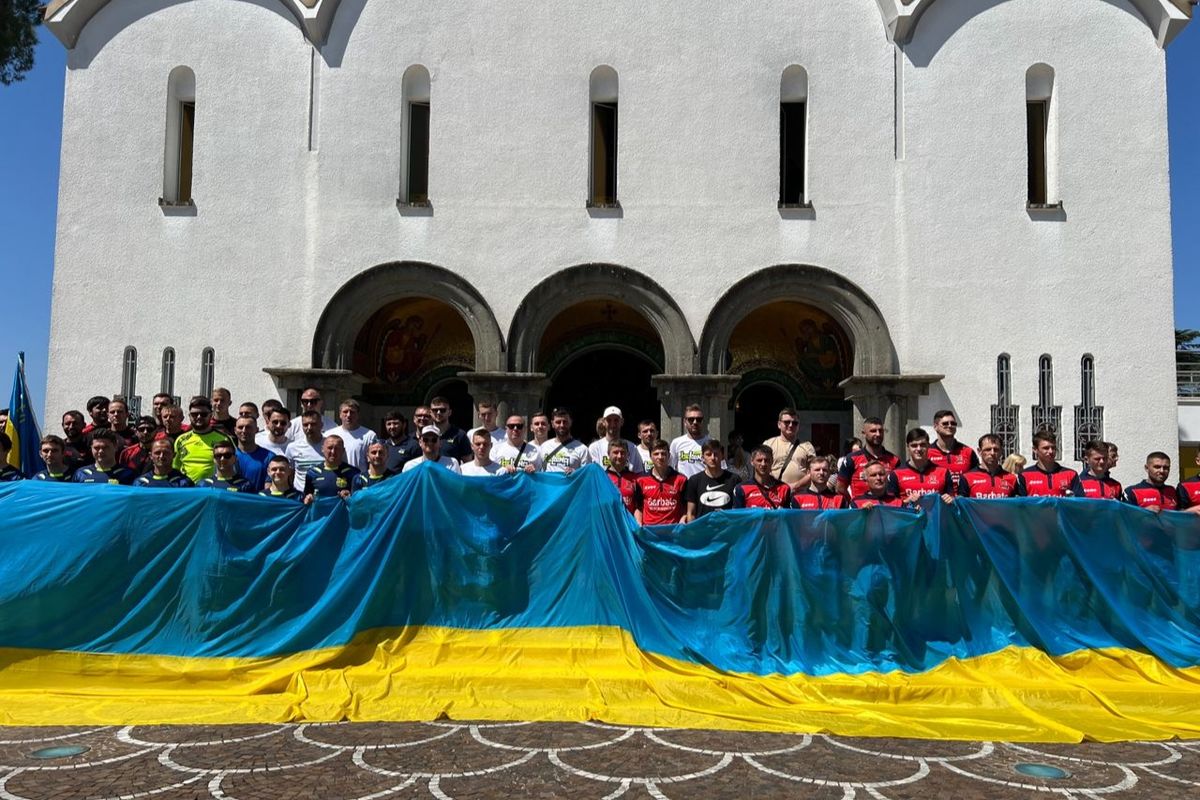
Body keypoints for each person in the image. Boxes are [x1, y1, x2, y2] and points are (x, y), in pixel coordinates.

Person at [888, 428, 956, 505]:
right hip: (908, 517)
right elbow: (891, 506)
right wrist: (906, 501)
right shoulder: (896, 474)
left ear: (928, 446)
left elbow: (953, 500)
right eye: (914, 445)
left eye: (922, 445)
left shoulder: (943, 472)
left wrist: (950, 499)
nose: (919, 449)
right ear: (908, 447)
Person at [173, 396, 234, 483]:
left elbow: (233, 466)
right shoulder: (181, 439)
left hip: (212, 490)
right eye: (194, 414)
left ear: (211, 415)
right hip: (186, 491)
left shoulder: (223, 438)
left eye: (203, 414)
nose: (199, 417)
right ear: (189, 416)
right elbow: (175, 468)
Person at [836, 417, 899, 499]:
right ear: (864, 433)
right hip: (861, 509)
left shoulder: (894, 460)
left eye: (880, 431)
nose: (878, 434)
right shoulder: (852, 459)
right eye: (873, 431)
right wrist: (854, 504)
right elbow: (840, 488)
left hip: (886, 508)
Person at [684, 439, 740, 520]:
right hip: (703, 530)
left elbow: (739, 512)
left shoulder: (734, 479)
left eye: (716, 454)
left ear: (722, 456)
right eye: (708, 454)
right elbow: (691, 513)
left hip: (727, 530)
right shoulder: (694, 481)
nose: (713, 458)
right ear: (702, 457)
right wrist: (692, 532)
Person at [763, 408, 816, 493]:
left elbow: (814, 471)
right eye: (787, 422)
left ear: (798, 426)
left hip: (800, 495)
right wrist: (779, 487)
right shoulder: (768, 444)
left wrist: (795, 486)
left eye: (795, 423)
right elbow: (762, 468)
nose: (791, 425)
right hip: (774, 492)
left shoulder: (807, 446)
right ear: (779, 424)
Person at [635, 440, 687, 524]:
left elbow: (686, 508)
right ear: (650, 456)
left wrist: (683, 519)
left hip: (673, 531)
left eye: (663, 453)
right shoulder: (641, 480)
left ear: (669, 456)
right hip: (650, 532)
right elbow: (638, 508)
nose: (660, 457)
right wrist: (638, 523)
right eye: (656, 454)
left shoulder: (681, 479)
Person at [1014, 430, 1078, 497]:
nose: (1050, 451)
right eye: (1046, 448)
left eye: (1053, 448)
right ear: (1035, 449)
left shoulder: (1071, 474)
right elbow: (1021, 505)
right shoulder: (1024, 475)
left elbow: (1080, 504)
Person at [303, 435, 360, 502]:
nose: (333, 452)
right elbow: (306, 498)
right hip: (320, 512)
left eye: (337, 448)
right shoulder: (312, 473)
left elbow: (359, 501)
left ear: (343, 450)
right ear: (322, 449)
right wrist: (308, 499)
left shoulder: (353, 473)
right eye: (330, 448)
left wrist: (350, 496)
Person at [589, 406, 645, 472]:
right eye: (609, 420)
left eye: (616, 420)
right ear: (604, 422)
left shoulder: (632, 447)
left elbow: (639, 473)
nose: (612, 424)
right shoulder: (595, 447)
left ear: (622, 422)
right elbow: (592, 474)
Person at [327, 399, 377, 471]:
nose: (348, 415)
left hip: (359, 479)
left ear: (358, 415)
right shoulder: (329, 434)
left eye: (352, 412)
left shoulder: (369, 435)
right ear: (340, 414)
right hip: (335, 478)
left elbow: (373, 461)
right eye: (345, 412)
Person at [285, 410, 328, 492]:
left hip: (323, 496)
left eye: (313, 424)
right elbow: (289, 475)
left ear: (321, 425)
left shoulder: (330, 447)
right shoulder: (293, 448)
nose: (309, 428)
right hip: (301, 497)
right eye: (305, 425)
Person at [928, 410, 979, 478]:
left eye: (953, 423)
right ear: (935, 427)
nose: (950, 426)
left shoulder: (968, 452)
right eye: (945, 423)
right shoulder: (927, 453)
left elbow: (977, 476)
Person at [540, 408, 591, 474]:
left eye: (565, 422)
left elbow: (587, 475)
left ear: (571, 422)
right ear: (552, 424)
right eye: (558, 422)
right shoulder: (544, 446)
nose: (562, 425)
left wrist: (575, 473)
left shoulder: (582, 449)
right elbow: (538, 471)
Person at [669, 404, 713, 478]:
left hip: (704, 486)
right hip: (684, 486)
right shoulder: (676, 443)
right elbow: (670, 467)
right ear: (685, 422)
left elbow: (720, 467)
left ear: (702, 421)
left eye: (698, 419)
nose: (695, 422)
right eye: (691, 419)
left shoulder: (711, 442)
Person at [234, 416, 272, 491]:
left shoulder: (269, 457)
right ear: (235, 430)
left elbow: (269, 489)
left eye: (248, 427)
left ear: (257, 430)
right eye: (240, 427)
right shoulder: (225, 456)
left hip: (257, 501)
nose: (244, 431)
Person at [605, 439, 642, 516]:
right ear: (608, 454)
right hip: (609, 524)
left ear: (628, 455)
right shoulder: (602, 478)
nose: (619, 456)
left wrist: (638, 526)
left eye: (623, 453)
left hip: (628, 526)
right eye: (615, 452)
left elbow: (638, 507)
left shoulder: (636, 479)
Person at [430, 395, 470, 462]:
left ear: (449, 412)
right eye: (435, 410)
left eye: (443, 410)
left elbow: (467, 462)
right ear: (430, 412)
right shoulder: (425, 435)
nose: (438, 413)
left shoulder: (459, 435)